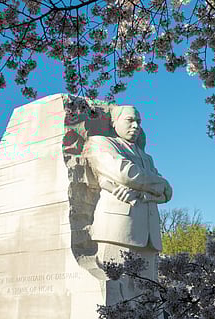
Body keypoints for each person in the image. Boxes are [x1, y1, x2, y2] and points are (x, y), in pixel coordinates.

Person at [83, 105, 172, 305]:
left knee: (148, 297)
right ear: (114, 123)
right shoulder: (100, 143)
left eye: (139, 122)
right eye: (130, 120)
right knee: (119, 294)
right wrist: (156, 185)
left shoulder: (146, 158)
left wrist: (144, 191)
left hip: (149, 236)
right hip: (118, 230)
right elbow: (125, 173)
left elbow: (167, 191)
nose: (136, 126)